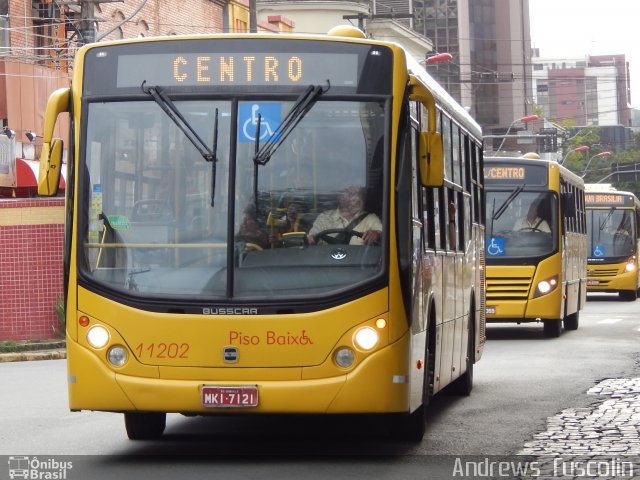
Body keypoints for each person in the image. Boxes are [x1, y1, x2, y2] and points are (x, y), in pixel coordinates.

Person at [308, 185, 382, 245]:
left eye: (360, 195)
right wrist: (311, 238)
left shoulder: (370, 218)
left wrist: (376, 234)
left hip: (359, 262)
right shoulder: (325, 217)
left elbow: (384, 236)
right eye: (352, 194)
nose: (357, 199)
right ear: (340, 198)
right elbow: (312, 237)